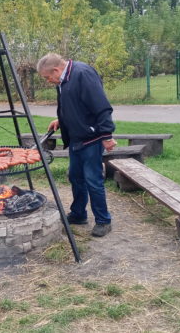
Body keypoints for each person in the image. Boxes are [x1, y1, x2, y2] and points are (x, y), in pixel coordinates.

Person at [36, 53, 117, 237]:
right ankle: (79, 214)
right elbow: (73, 104)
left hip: (91, 138)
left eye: (48, 77)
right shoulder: (63, 80)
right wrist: (61, 119)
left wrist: (106, 134)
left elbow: (101, 106)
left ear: (56, 70)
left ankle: (104, 221)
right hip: (75, 138)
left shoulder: (83, 74)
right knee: (75, 177)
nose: (48, 81)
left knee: (93, 180)